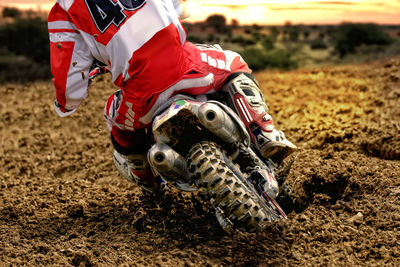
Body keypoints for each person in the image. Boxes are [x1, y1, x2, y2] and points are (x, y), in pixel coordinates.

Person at [48, 0, 296, 193]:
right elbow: (181, 8)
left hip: (142, 97)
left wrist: (65, 104)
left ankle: (148, 179)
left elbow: (69, 73)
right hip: (190, 67)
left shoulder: (63, 11)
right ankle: (264, 132)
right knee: (235, 63)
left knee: (116, 121)